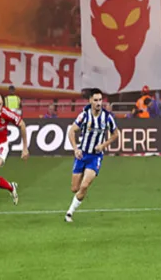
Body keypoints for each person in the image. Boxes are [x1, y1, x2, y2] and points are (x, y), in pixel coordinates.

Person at [64, 88, 119, 223]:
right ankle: (80, 190)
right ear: (90, 101)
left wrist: (103, 145)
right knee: (75, 188)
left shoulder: (107, 117)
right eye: (96, 100)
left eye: (100, 100)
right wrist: (76, 149)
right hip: (82, 155)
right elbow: (71, 131)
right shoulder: (84, 115)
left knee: (84, 186)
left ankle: (69, 213)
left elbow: (116, 134)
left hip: (95, 157)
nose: (99, 103)